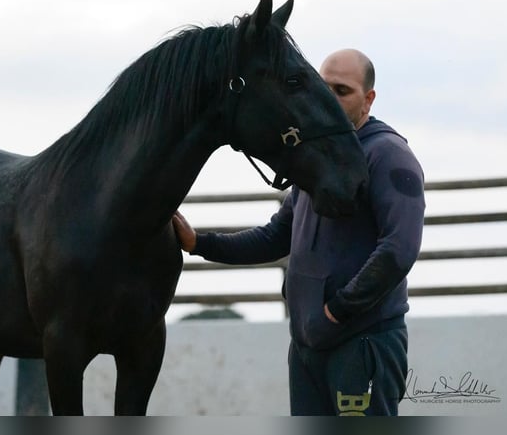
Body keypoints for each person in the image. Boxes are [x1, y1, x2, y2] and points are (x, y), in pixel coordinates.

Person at [172, 48, 425, 416]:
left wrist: (336, 312)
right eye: (326, 89)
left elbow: (399, 250)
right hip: (308, 347)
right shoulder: (321, 156)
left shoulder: (388, 154)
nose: (331, 99)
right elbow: (277, 236)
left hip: (362, 343)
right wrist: (201, 244)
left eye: (343, 91)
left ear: (368, 99)